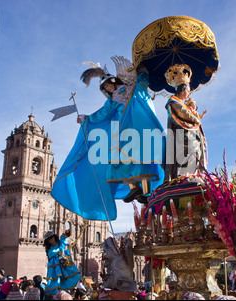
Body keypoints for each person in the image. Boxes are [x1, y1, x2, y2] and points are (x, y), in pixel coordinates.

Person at [51, 58, 165, 224]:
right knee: (124, 162)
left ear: (114, 81)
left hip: (136, 129)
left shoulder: (127, 91)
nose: (108, 89)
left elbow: (138, 91)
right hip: (125, 134)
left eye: (108, 85)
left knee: (140, 162)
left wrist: (142, 73)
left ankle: (145, 192)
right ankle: (138, 191)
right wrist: (87, 119)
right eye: (105, 88)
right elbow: (103, 113)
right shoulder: (116, 99)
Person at [163, 64, 207, 182]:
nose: (188, 94)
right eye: (187, 90)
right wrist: (195, 119)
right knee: (186, 155)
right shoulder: (173, 102)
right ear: (182, 89)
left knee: (195, 154)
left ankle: (193, 176)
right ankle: (184, 178)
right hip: (182, 137)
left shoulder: (182, 104)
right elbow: (183, 114)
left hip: (190, 135)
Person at [43, 230, 81, 298]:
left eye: (52, 239)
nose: (51, 241)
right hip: (55, 266)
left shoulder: (60, 243)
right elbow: (51, 254)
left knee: (71, 274)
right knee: (56, 279)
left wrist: (66, 234)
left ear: (54, 237)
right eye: (49, 240)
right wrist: (59, 252)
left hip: (64, 263)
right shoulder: (49, 249)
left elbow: (64, 238)